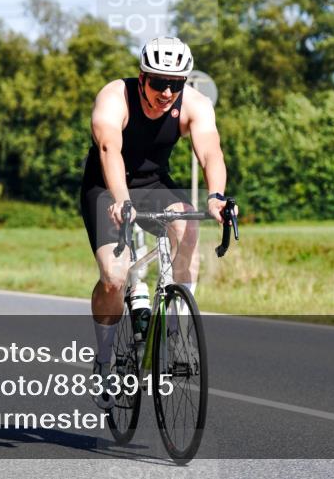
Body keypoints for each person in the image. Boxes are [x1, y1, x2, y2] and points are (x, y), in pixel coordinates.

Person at [79, 37, 235, 410]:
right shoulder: (115, 96)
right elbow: (108, 149)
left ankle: (179, 333)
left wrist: (216, 195)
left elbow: (210, 149)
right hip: (105, 185)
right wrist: (121, 199)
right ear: (141, 77)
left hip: (153, 184)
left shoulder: (194, 105)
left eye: (175, 84)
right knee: (114, 276)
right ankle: (103, 359)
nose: (167, 92)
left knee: (187, 224)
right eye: (158, 82)